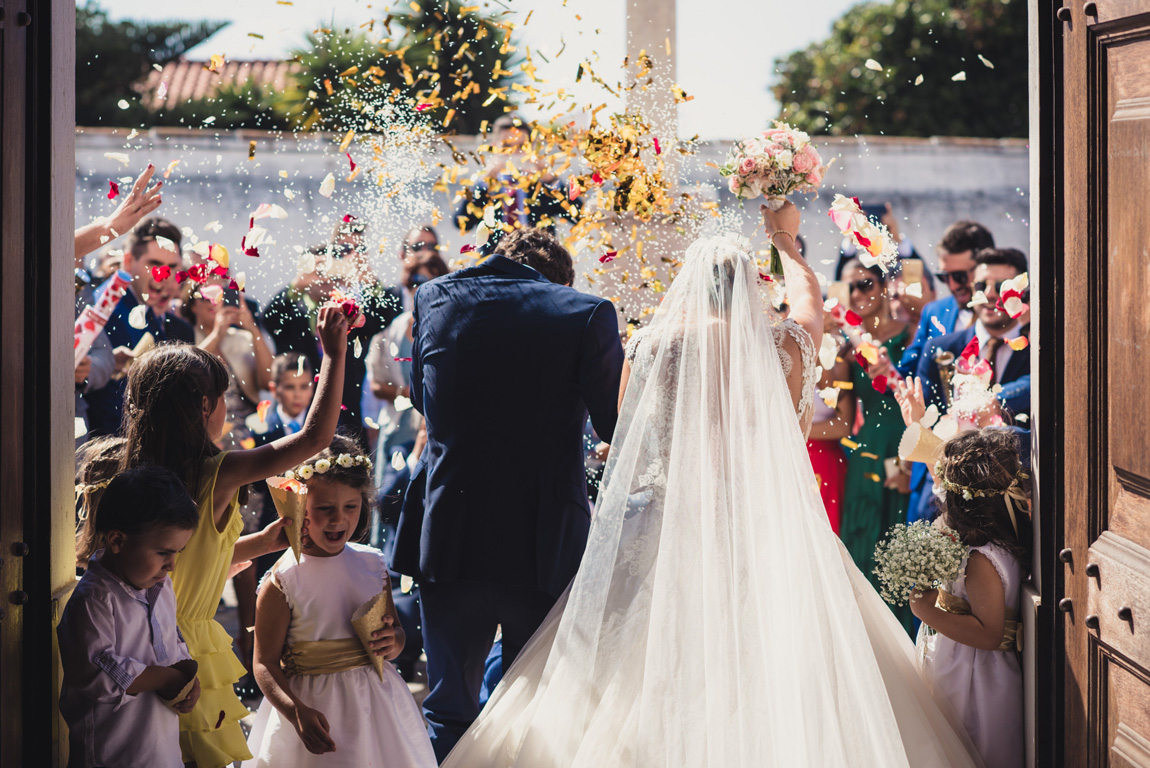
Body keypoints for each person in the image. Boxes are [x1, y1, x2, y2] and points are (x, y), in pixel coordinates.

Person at [438, 203, 982, 767]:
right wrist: (786, 241)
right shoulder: (788, 345)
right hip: (764, 525)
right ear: (747, 286)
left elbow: (626, 435)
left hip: (673, 525)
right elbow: (811, 305)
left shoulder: (650, 344)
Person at [74, 302, 349, 768]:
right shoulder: (217, 473)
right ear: (206, 406)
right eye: (225, 398)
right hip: (186, 653)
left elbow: (187, 564)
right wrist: (333, 354)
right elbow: (314, 439)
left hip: (134, 649)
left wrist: (259, 544)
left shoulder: (131, 471)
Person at [391, 226, 624, 760]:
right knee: (537, 701)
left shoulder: (433, 296)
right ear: (561, 281)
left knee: (448, 705)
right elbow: (615, 423)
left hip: (452, 528)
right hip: (542, 538)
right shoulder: (586, 313)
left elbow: (422, 401)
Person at [243, 435, 436, 768]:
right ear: (300, 503)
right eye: (324, 509)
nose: (339, 519)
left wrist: (394, 642)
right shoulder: (284, 579)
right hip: (310, 707)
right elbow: (264, 664)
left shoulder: (373, 565)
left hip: (376, 707)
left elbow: (396, 633)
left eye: (351, 506)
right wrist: (295, 712)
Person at [58, 466, 201, 768]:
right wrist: (167, 677)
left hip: (160, 750)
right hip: (114, 754)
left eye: (178, 552)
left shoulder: (162, 586)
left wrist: (188, 680)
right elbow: (100, 675)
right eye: (163, 553)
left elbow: (172, 640)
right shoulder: (94, 601)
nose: (172, 565)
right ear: (117, 541)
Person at [910, 428, 1029, 768]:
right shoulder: (987, 544)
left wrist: (925, 611)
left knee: (970, 750)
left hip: (976, 680)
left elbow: (988, 633)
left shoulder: (980, 560)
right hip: (969, 668)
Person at [835, 258, 915, 632]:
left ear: (884, 286)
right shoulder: (848, 349)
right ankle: (863, 640)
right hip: (864, 453)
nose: (857, 294)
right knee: (862, 540)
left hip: (903, 448)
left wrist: (909, 462)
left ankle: (899, 640)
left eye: (865, 284)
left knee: (897, 548)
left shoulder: (911, 335)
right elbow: (844, 418)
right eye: (850, 286)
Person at [263, 234, 401, 446]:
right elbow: (269, 319)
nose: (327, 279)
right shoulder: (292, 311)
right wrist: (297, 284)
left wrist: (369, 279)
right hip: (300, 415)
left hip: (348, 411)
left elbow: (387, 314)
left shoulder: (349, 313)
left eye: (332, 273)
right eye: (320, 272)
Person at [84, 217, 195, 437]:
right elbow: (109, 403)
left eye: (172, 267)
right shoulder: (106, 306)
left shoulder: (147, 306)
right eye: (154, 264)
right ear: (128, 261)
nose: (163, 275)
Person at [453, 115, 580, 254]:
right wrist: (485, 181)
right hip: (494, 265)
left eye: (521, 146)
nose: (514, 152)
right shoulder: (485, 186)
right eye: (507, 146)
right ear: (494, 147)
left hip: (538, 265)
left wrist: (550, 180)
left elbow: (578, 217)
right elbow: (461, 224)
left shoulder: (543, 186)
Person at [897, 220, 995, 379]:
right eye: (944, 277)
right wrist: (880, 366)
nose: (953, 285)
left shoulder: (1009, 312)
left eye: (959, 276)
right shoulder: (934, 312)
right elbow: (906, 376)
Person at [250, 352, 316, 581]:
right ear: (274, 388)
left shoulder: (324, 426)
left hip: (317, 521)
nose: (298, 394)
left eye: (304, 386)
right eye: (289, 387)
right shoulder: (259, 427)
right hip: (274, 522)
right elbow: (256, 484)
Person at [805, 307, 855, 534]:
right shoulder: (783, 357)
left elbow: (844, 425)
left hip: (825, 461)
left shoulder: (838, 364)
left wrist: (791, 432)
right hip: (790, 458)